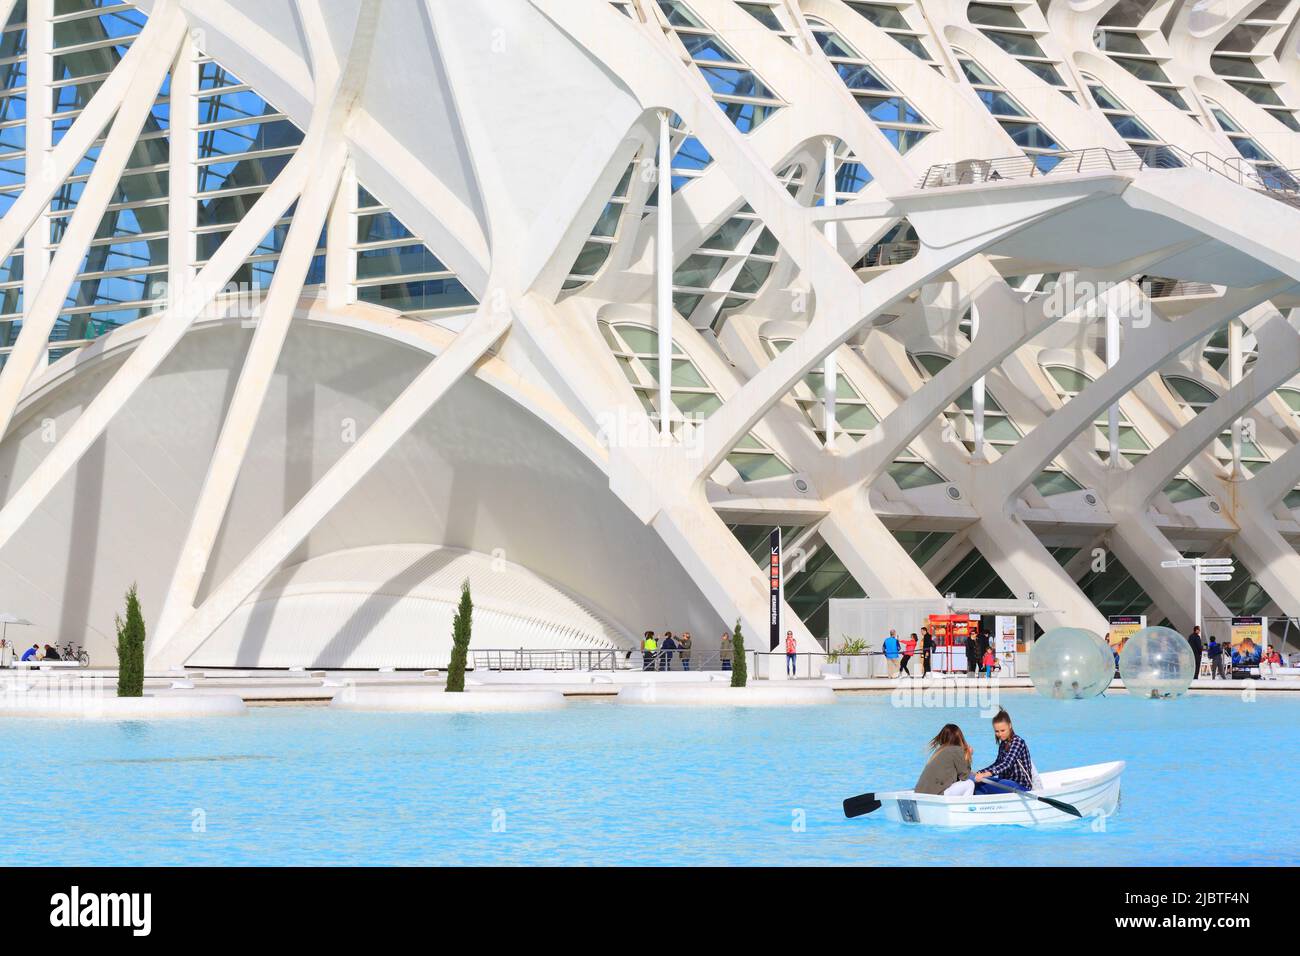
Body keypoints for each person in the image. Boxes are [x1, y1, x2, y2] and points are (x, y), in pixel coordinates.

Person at [973, 710, 1034, 795]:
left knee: (986, 783)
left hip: (1021, 787)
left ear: (1010, 725)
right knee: (976, 782)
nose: (1000, 734)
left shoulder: (1018, 742)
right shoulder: (1003, 744)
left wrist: (986, 774)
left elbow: (1007, 763)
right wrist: (980, 772)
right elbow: (997, 764)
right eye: (997, 731)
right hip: (1006, 784)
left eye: (1002, 730)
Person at [914, 724, 974, 796]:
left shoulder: (940, 750)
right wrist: (968, 755)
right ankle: (964, 807)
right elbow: (965, 776)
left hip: (920, 793)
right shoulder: (957, 750)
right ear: (960, 737)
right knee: (969, 783)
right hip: (936, 795)